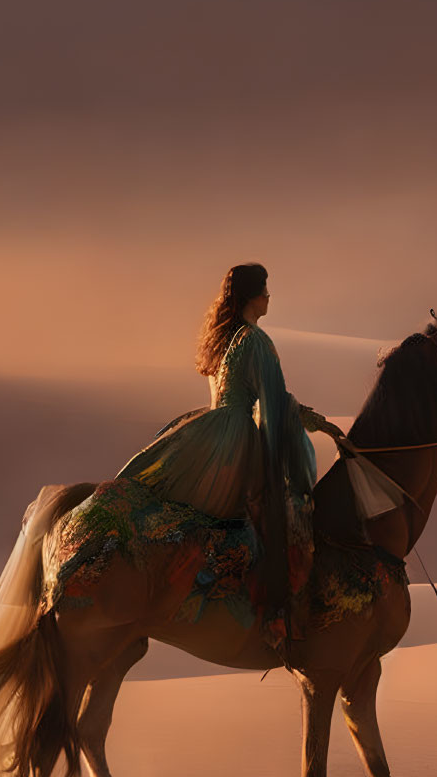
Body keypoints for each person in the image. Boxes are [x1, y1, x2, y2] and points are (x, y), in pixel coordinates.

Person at [115, 262, 345, 664]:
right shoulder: (255, 341)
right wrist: (317, 423)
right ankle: (275, 614)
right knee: (281, 515)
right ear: (253, 296)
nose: (270, 296)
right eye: (266, 289)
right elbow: (275, 401)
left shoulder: (225, 339)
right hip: (235, 438)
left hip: (211, 430)